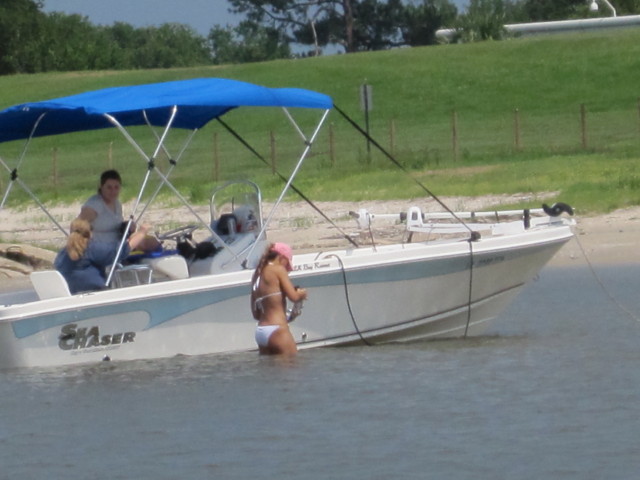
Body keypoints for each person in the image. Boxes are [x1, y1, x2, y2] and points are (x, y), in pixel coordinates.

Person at [54, 218, 152, 294]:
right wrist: (142, 232)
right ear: (90, 233)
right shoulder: (91, 248)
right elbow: (120, 251)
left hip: (71, 294)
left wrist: (132, 236)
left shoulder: (62, 254)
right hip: (94, 293)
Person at [78, 169, 160, 252]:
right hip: (104, 248)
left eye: (116, 187)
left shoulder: (117, 204)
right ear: (101, 187)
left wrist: (127, 225)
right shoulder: (94, 205)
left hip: (119, 242)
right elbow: (76, 226)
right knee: (144, 241)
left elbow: (114, 225)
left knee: (153, 242)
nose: (113, 191)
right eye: (109, 187)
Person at [251, 242, 308, 355]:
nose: (286, 268)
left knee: (271, 367)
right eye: (287, 263)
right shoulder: (278, 269)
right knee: (292, 363)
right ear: (282, 258)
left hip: (261, 332)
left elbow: (256, 314)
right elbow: (294, 297)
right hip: (277, 330)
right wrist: (302, 294)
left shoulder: (257, 274)